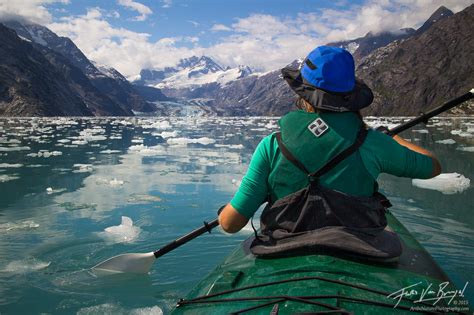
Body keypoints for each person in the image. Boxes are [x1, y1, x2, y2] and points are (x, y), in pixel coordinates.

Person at [218, 46, 441, 258]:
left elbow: (230, 224)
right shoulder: (373, 142)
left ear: (303, 94)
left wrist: (224, 211)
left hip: (281, 248)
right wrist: (392, 138)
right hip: (363, 249)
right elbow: (432, 167)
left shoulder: (272, 145)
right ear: (350, 95)